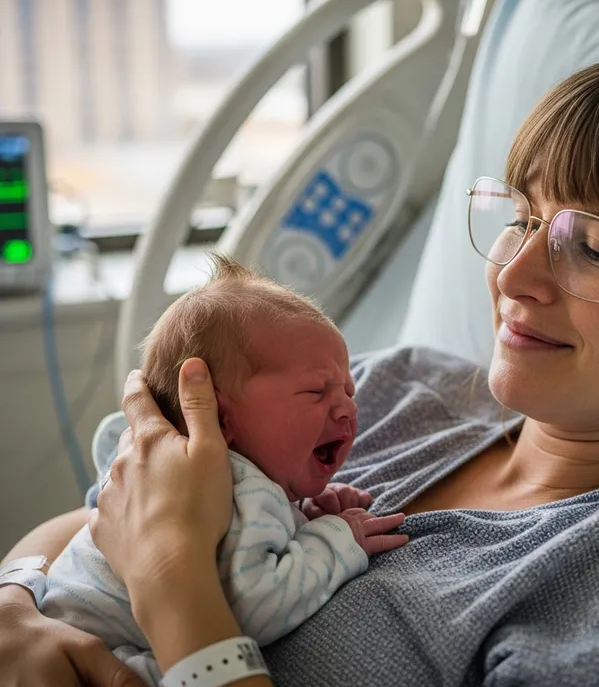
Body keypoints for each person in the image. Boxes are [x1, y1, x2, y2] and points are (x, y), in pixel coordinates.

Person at [3, 50, 599, 687]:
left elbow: (160, 537)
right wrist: (17, 598)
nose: (513, 274)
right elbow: (120, 500)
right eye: (522, 218)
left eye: (593, 247)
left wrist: (176, 588)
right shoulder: (397, 388)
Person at [38, 253, 408, 685]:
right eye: (315, 391)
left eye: (348, 389)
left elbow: (226, 562)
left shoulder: (205, 476)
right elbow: (256, 605)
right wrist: (336, 539)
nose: (347, 407)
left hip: (55, 618)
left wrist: (300, 520)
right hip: (93, 653)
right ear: (220, 418)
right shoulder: (245, 488)